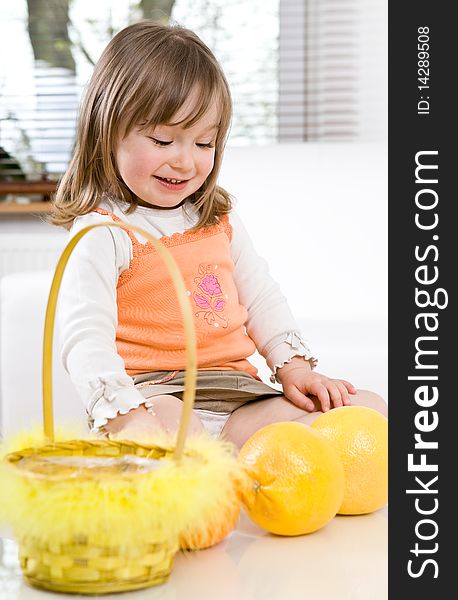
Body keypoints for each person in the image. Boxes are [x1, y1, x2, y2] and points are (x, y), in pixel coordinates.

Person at [51, 21, 387, 450]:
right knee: (175, 433)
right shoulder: (102, 231)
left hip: (239, 399)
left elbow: (262, 298)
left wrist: (296, 369)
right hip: (154, 394)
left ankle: (242, 463)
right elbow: (85, 338)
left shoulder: (217, 220)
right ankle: (203, 469)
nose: (185, 162)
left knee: (369, 411)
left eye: (204, 143)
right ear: (107, 129)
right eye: (163, 139)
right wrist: (123, 411)